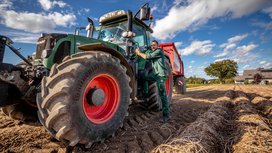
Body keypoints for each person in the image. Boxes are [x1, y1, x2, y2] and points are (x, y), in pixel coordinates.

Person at [135, 40, 171, 123]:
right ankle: (145, 94)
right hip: (155, 75)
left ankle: (166, 115)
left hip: (161, 75)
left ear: (157, 46)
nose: (153, 46)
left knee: (162, 94)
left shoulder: (159, 51)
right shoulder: (153, 51)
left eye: (154, 45)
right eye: (152, 45)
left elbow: (148, 56)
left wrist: (138, 53)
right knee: (144, 77)